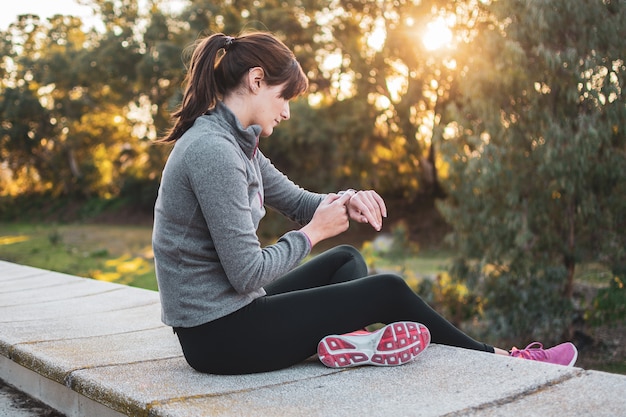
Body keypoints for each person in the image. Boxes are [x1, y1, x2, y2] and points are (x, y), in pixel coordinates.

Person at [152, 31, 578, 375]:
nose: (286, 113)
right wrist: (313, 232)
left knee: (346, 260)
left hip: (235, 317)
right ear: (257, 80)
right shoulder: (214, 152)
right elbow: (247, 273)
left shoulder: (238, 144)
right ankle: (503, 362)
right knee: (387, 289)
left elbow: (300, 201)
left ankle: (348, 343)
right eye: (284, 97)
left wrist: (347, 200)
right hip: (219, 339)